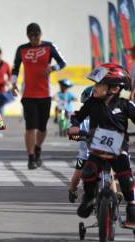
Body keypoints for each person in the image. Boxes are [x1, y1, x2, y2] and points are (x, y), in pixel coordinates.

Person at [68, 63, 135, 223]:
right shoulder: (92, 103)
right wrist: (75, 126)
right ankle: (89, 199)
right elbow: (78, 115)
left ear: (114, 88)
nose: (95, 87)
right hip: (97, 148)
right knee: (89, 172)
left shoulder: (124, 105)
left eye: (99, 84)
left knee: (126, 178)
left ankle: (132, 208)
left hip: (119, 149)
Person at [11, 23, 66, 169]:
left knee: (42, 127)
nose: (35, 38)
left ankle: (37, 148)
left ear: (41, 34)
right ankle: (30, 158)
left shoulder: (49, 46)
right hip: (28, 94)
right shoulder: (22, 49)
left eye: (37, 35)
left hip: (45, 94)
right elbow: (15, 68)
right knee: (30, 127)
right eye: (31, 35)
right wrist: (13, 84)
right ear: (28, 36)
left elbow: (62, 62)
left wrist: (53, 68)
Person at [68, 86, 92, 202]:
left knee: (110, 172)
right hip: (84, 154)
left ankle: (115, 193)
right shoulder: (78, 116)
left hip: (102, 151)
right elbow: (72, 131)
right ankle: (72, 189)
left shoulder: (105, 114)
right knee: (78, 173)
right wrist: (78, 136)